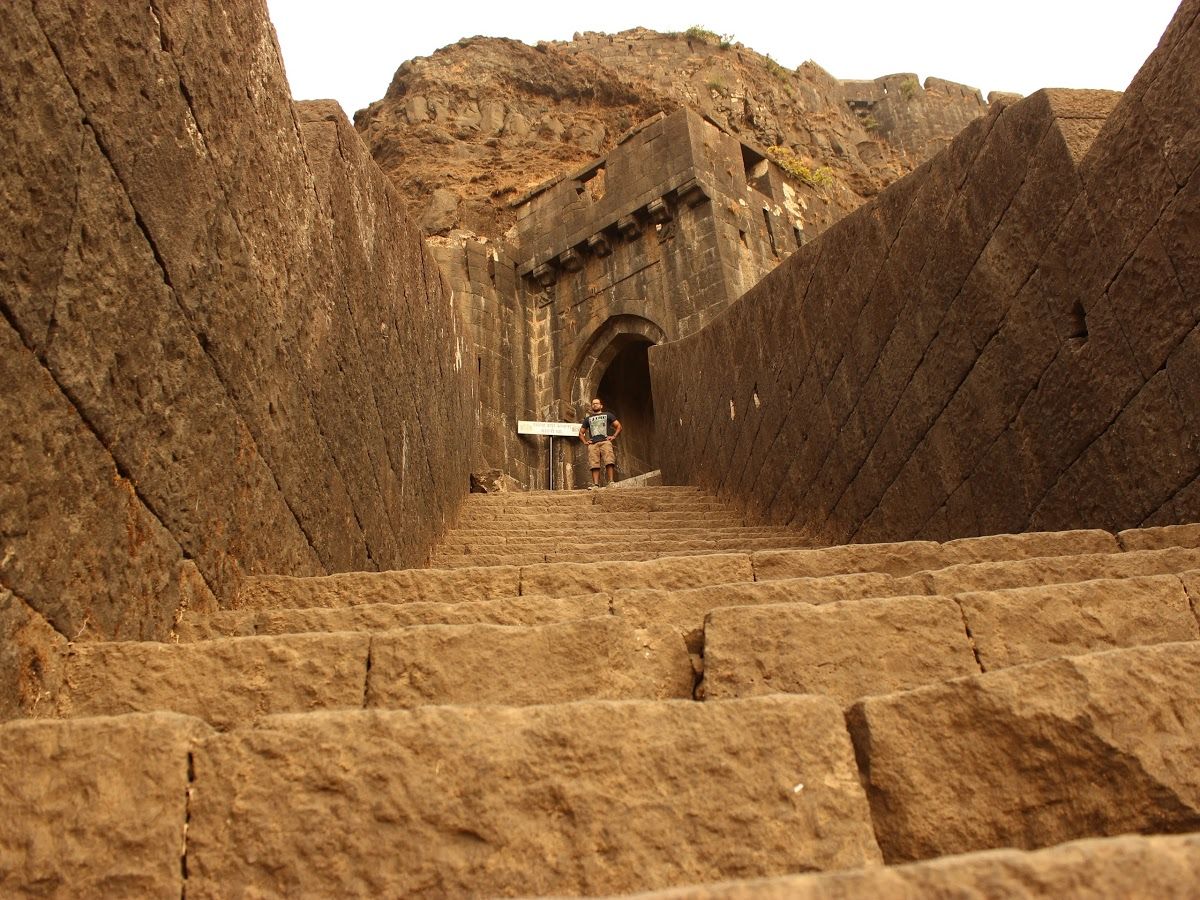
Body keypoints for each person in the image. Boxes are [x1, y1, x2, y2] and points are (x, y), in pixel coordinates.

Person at [579, 397, 622, 488]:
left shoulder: (608, 415)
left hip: (605, 441)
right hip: (593, 443)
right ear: (591, 406)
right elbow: (581, 432)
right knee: (594, 463)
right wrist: (585, 442)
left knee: (609, 460)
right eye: (593, 404)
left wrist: (613, 436)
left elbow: (618, 426)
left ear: (601, 405)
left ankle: (611, 481)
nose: (595, 405)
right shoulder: (588, 419)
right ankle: (595, 484)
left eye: (597, 403)